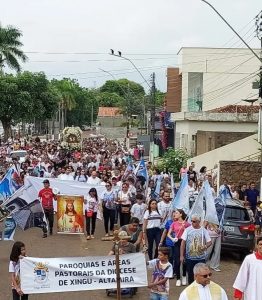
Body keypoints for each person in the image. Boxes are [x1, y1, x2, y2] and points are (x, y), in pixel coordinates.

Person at [180, 214, 212, 284]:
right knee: (191, 275)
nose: (192, 223)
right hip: (190, 258)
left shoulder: (203, 230)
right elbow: (183, 243)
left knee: (201, 274)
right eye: (192, 221)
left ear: (199, 221)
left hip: (201, 258)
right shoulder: (187, 230)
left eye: (194, 221)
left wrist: (205, 246)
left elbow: (209, 242)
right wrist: (181, 256)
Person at [167, 209, 190, 286]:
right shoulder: (174, 223)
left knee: (184, 260)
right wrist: (172, 238)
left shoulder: (187, 224)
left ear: (181, 214)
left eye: (176, 213)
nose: (174, 214)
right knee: (177, 261)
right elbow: (168, 234)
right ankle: (178, 278)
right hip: (177, 243)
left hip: (185, 242)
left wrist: (184, 228)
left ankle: (184, 276)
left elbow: (189, 234)